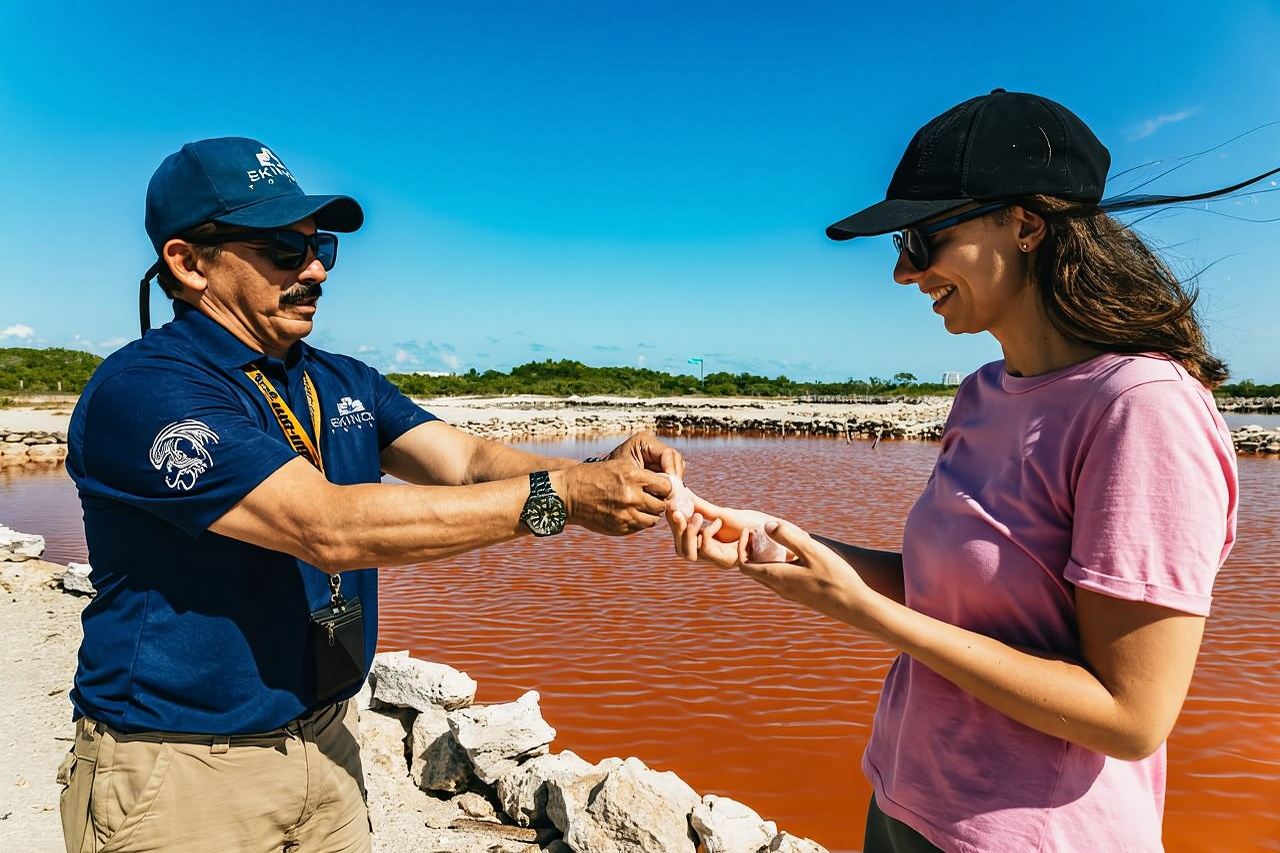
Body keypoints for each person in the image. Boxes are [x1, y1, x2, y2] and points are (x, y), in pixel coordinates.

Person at [58, 136, 683, 853]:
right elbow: (326, 527)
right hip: (181, 768)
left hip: (326, 741)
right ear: (188, 261)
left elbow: (469, 460)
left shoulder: (340, 378)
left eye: (320, 245)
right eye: (283, 251)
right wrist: (566, 499)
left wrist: (599, 468)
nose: (316, 268)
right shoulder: (146, 390)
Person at [670, 90, 1242, 852]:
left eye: (921, 237)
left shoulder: (1141, 408)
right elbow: (955, 593)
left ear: (1027, 223)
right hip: (906, 802)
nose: (905, 272)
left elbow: (1131, 715)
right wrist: (781, 543)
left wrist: (866, 614)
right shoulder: (981, 392)